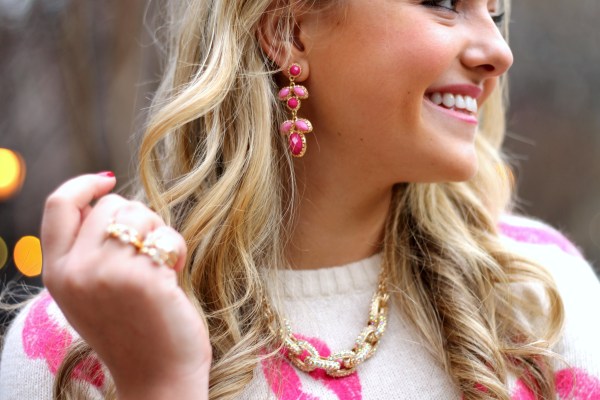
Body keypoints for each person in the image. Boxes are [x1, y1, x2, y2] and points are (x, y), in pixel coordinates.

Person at [1, 0, 599, 399]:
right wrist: (157, 385)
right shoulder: (80, 342)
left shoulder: (541, 300)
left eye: (495, 12)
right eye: (443, 2)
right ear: (287, 31)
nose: (499, 51)